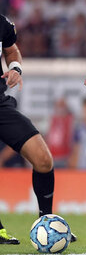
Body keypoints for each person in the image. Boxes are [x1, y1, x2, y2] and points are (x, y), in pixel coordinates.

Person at [0, 14, 76, 243]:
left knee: (43, 159)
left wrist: (15, 68)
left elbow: (11, 50)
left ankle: (47, 221)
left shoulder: (2, 23)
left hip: (0, 104)